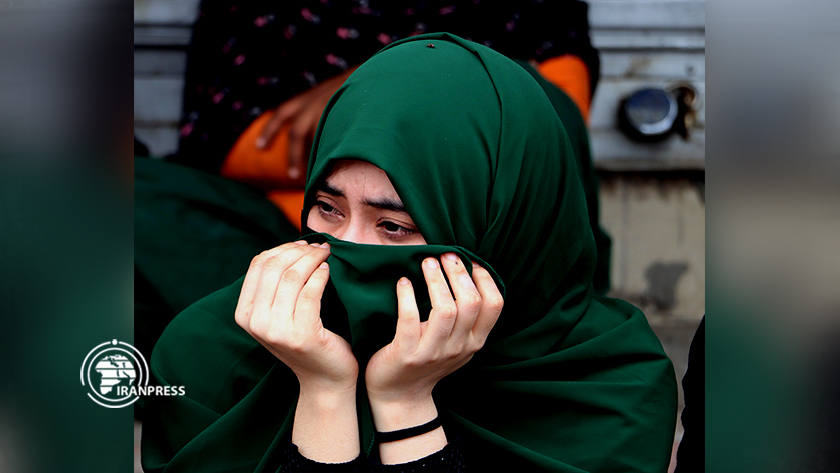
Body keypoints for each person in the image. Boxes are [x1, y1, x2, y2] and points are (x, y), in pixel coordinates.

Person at [141, 33, 676, 472]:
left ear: (503, 229)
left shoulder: (612, 394)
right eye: (328, 209)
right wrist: (325, 391)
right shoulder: (214, 355)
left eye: (393, 225)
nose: (346, 252)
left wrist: (405, 406)